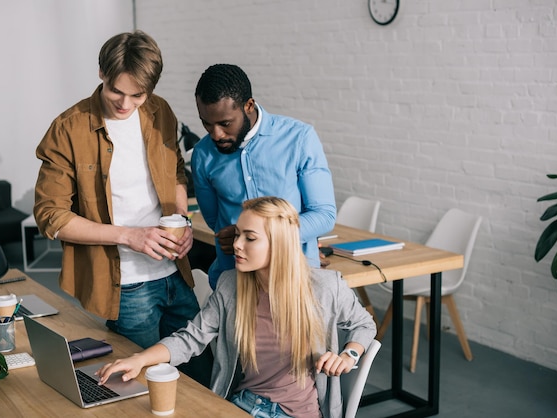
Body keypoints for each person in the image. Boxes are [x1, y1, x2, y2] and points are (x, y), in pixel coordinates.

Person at [97, 196, 376, 418]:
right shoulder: (232, 285)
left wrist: (349, 354)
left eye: (250, 238)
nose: (237, 245)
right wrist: (139, 359)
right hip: (240, 404)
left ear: (279, 243)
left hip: (294, 413)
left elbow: (364, 324)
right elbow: (191, 338)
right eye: (238, 234)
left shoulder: (325, 287)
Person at [33, 31, 207, 378]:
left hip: (175, 274)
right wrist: (130, 236)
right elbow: (50, 216)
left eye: (137, 95)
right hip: (126, 286)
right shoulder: (68, 128)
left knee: (199, 375)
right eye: (116, 91)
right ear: (101, 73)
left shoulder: (161, 112)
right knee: (139, 384)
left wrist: (182, 222)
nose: (125, 104)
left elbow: (175, 173)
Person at [191, 64, 337, 289]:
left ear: (248, 105)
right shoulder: (203, 153)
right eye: (207, 124)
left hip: (294, 281)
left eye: (225, 123)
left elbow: (324, 214)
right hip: (234, 283)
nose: (216, 134)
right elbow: (215, 220)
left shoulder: (299, 139)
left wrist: (264, 236)